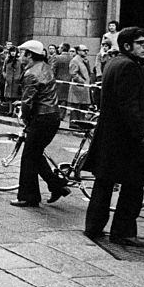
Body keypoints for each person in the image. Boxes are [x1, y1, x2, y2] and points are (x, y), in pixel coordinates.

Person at [83, 26, 144, 247]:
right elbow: (129, 105)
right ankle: (123, 232)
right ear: (127, 46)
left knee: (104, 182)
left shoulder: (114, 63)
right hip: (125, 139)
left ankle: (93, 227)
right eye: (141, 43)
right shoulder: (130, 67)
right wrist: (141, 135)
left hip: (109, 135)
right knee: (133, 186)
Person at [10, 40, 68, 207]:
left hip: (41, 118)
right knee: (35, 154)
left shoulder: (30, 74)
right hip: (52, 116)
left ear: (29, 54)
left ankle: (29, 197)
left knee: (28, 157)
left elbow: (28, 101)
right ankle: (57, 186)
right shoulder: (46, 67)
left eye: (22, 53)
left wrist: (25, 116)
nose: (20, 56)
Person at [68, 45, 92, 120]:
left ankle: (81, 124)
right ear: (78, 51)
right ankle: (75, 124)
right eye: (84, 50)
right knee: (76, 107)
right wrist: (82, 81)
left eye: (87, 50)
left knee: (83, 107)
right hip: (78, 88)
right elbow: (73, 73)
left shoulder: (84, 60)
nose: (86, 52)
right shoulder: (75, 60)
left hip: (84, 87)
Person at [52, 42, 73, 118]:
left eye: (59, 47)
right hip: (69, 81)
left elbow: (53, 70)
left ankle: (57, 114)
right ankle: (62, 115)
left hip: (58, 80)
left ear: (62, 49)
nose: (58, 49)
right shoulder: (72, 58)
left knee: (57, 98)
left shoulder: (57, 58)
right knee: (65, 99)